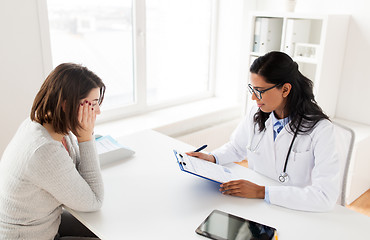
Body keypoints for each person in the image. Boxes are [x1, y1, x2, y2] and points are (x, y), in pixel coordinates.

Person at [187, 51, 340, 212]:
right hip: (257, 204)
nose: (253, 97)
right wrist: (212, 157)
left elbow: (324, 196)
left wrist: (262, 192)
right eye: (252, 89)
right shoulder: (256, 112)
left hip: (297, 208)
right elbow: (237, 147)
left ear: (285, 89)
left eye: (260, 90)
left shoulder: (321, 129)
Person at [0, 63, 105, 239]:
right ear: (66, 104)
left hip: (46, 222)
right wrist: (86, 137)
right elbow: (94, 200)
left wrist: (82, 135)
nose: (98, 111)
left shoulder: (49, 125)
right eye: (92, 104)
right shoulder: (43, 150)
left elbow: (79, 175)